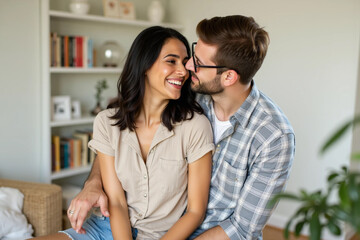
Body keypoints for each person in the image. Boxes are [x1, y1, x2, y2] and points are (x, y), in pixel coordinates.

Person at [67, 15, 295, 240]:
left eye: (197, 62)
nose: (187, 67)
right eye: (192, 54)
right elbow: (117, 135)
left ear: (228, 77)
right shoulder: (189, 97)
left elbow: (243, 229)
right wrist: (94, 182)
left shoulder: (273, 137)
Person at [35, 26, 214, 240]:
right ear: (145, 65)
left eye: (184, 63)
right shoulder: (106, 122)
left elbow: (195, 211)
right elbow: (117, 202)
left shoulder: (195, 126)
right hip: (106, 227)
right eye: (171, 61)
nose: (183, 71)